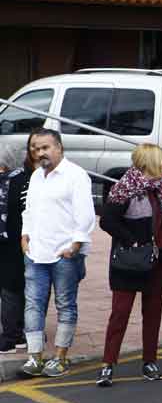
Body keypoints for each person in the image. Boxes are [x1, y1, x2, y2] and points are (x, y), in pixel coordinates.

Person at [96, 144, 162, 386]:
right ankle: (108, 364)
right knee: (120, 314)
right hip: (130, 262)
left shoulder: (161, 189)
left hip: (159, 263)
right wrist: (133, 240)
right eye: (160, 161)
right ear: (148, 163)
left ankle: (149, 362)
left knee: (153, 315)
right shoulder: (126, 188)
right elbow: (107, 222)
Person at [20, 129, 96, 378]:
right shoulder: (35, 177)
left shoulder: (76, 176)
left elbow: (84, 215)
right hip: (36, 252)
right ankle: (35, 357)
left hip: (65, 254)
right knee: (33, 304)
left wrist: (75, 246)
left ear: (59, 148)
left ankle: (60, 357)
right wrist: (24, 236)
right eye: (35, 148)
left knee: (65, 304)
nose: (40, 153)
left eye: (45, 147)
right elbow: (28, 210)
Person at [0, 142, 30, 353]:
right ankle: (16, 333)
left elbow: (26, 212)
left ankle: (11, 336)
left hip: (15, 242)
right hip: (6, 241)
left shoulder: (21, 181)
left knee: (11, 289)